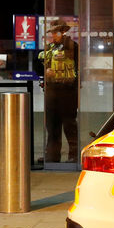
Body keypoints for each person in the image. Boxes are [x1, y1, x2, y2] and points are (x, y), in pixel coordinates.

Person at [38, 19, 78, 162]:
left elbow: (79, 68)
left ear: (63, 32)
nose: (53, 35)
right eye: (52, 32)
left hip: (67, 91)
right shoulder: (49, 48)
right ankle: (52, 156)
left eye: (56, 32)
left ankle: (74, 156)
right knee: (52, 125)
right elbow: (41, 65)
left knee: (69, 124)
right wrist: (45, 74)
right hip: (52, 90)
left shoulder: (72, 46)